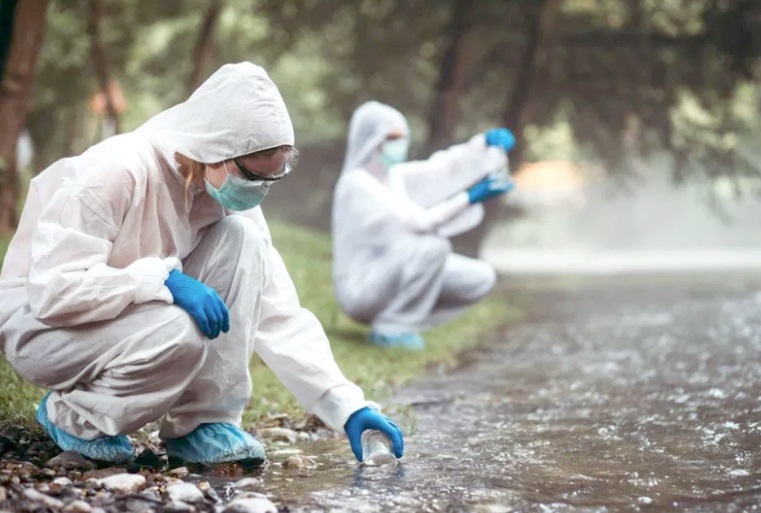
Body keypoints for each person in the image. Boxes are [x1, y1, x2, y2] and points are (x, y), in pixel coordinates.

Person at [0, 63, 403, 465]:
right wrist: (163, 282)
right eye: (250, 175)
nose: (257, 190)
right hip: (44, 327)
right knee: (180, 330)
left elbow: (278, 312)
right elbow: (54, 291)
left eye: (270, 178)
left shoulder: (225, 198)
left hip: (128, 320)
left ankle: (202, 423)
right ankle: (75, 418)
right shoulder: (119, 170)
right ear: (213, 147)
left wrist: (347, 405)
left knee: (243, 241)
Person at [332, 101, 515, 350]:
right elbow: (421, 222)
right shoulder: (357, 183)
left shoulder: (393, 177)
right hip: (361, 288)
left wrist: (483, 146)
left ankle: (402, 320)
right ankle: (393, 328)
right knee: (432, 246)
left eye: (403, 136)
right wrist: (470, 197)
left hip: (391, 272)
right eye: (393, 137)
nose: (401, 143)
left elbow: (440, 171)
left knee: (480, 277)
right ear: (372, 139)